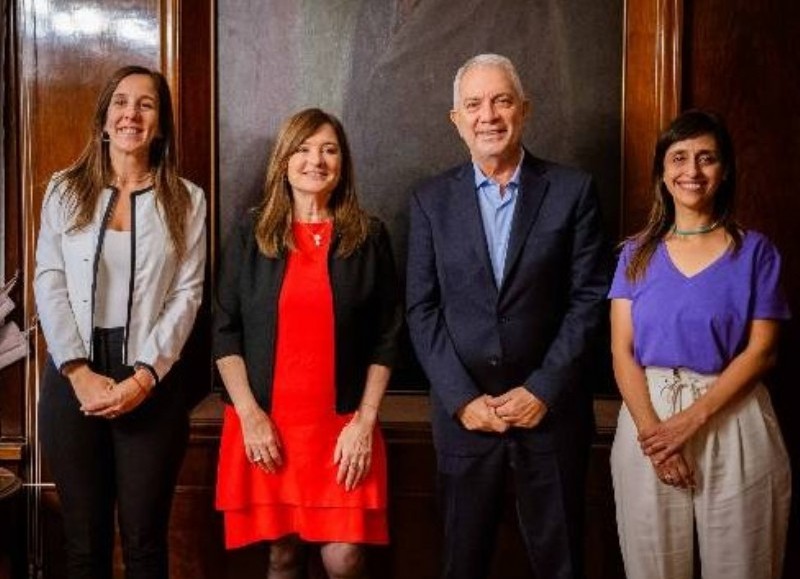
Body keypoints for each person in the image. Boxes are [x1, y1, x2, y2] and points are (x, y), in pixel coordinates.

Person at [406, 53, 611, 579]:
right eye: (473, 104)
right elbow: (421, 308)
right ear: (456, 120)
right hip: (464, 421)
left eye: (501, 100)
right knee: (461, 564)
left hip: (552, 416)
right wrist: (462, 400)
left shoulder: (573, 191)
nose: (488, 115)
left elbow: (589, 300)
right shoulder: (430, 200)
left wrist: (543, 389)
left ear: (524, 109)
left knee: (561, 564)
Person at [213, 108, 403, 578]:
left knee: (344, 558)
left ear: (343, 163)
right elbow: (224, 330)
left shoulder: (369, 236)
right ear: (283, 160)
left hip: (343, 428)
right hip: (266, 426)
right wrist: (252, 417)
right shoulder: (251, 233)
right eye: (303, 149)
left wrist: (365, 421)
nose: (315, 160)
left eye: (328, 149)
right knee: (280, 555)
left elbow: (388, 335)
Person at [34, 65, 207, 579]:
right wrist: (78, 372)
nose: (132, 113)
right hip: (73, 376)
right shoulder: (63, 189)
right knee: (83, 544)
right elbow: (49, 279)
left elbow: (187, 293)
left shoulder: (187, 199)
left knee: (144, 543)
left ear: (160, 123)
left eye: (146, 104)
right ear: (105, 119)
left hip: (151, 380)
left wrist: (146, 377)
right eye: (122, 103)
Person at [608, 109, 791, 579]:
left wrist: (689, 422)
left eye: (706, 158)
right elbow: (621, 351)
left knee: (742, 565)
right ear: (663, 173)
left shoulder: (755, 251)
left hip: (732, 416)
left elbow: (762, 351)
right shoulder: (634, 254)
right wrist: (658, 440)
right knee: (653, 567)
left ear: (724, 169)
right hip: (649, 422)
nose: (692, 170)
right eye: (679, 158)